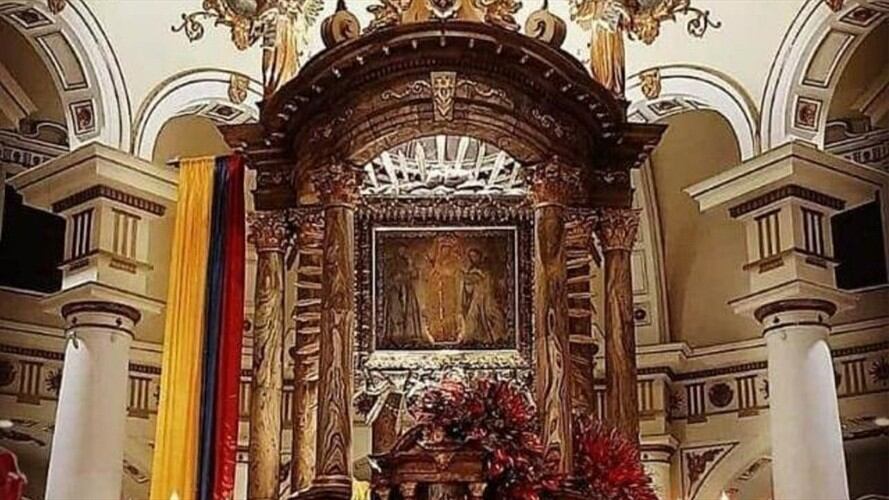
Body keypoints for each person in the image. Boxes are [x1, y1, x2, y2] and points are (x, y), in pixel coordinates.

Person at [382, 244, 427, 348]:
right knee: (396, 313)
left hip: (406, 290)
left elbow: (413, 275)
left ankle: (409, 336)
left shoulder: (406, 262)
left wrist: (412, 270)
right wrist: (396, 278)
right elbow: (388, 278)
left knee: (409, 312)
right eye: (400, 250)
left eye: (404, 250)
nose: (402, 252)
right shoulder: (391, 263)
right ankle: (395, 336)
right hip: (395, 290)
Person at [460, 248, 506, 345]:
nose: (473, 258)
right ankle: (473, 338)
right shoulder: (472, 269)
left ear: (479, 256)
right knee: (472, 316)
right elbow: (469, 286)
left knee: (490, 313)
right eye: (471, 257)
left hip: (487, 297)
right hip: (476, 297)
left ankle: (497, 336)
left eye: (474, 256)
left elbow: (487, 281)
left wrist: (469, 277)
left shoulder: (486, 268)